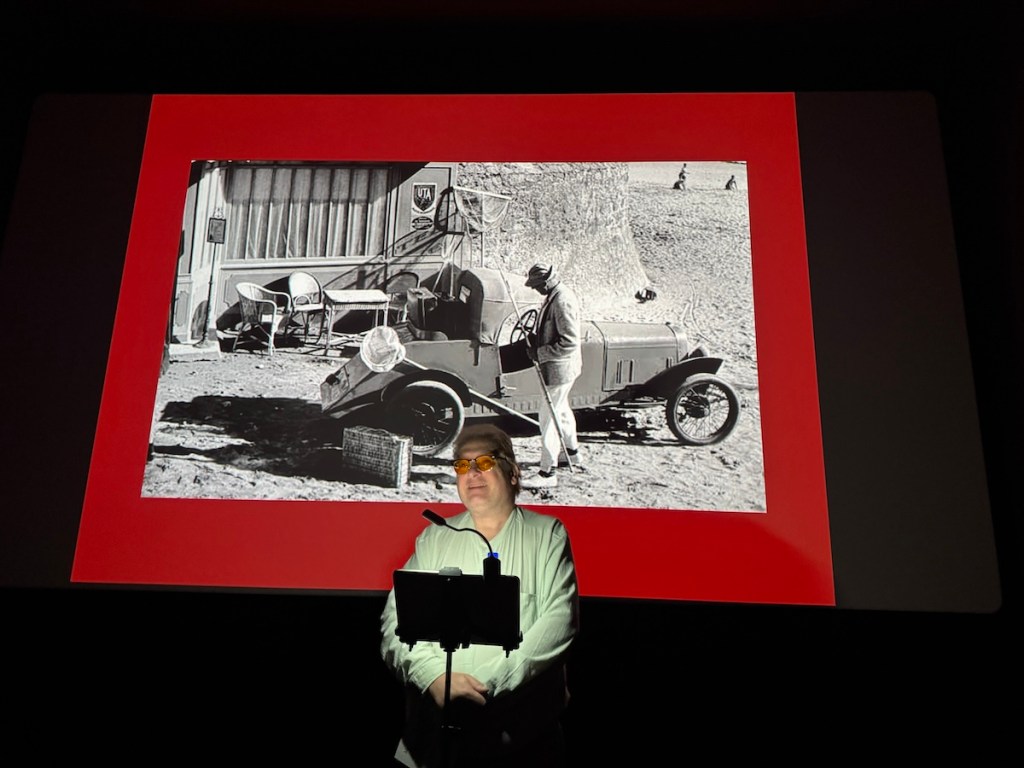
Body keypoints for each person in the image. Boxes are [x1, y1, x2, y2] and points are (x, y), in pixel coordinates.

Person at [380, 423, 580, 768]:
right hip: (434, 744)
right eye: (462, 465)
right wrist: (434, 677)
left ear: (513, 473)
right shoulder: (434, 538)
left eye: (485, 462)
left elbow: (559, 623)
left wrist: (483, 688)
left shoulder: (548, 534)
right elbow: (394, 623)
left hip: (519, 744)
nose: (471, 473)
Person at [522, 262, 582, 488]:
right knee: (562, 411)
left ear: (547, 281)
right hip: (560, 369)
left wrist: (539, 353)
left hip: (560, 369)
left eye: (537, 285)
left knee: (548, 417)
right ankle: (572, 454)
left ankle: (548, 473)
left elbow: (569, 342)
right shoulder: (554, 295)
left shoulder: (562, 301)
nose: (535, 289)